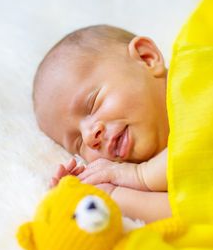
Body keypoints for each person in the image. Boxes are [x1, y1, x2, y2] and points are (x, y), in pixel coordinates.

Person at [33, 25, 172, 223]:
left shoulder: (195, 79)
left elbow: (198, 145)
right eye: (79, 143)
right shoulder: (154, 181)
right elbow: (192, 211)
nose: (90, 136)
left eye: (92, 104)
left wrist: (139, 176)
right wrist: (109, 195)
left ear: (146, 58)